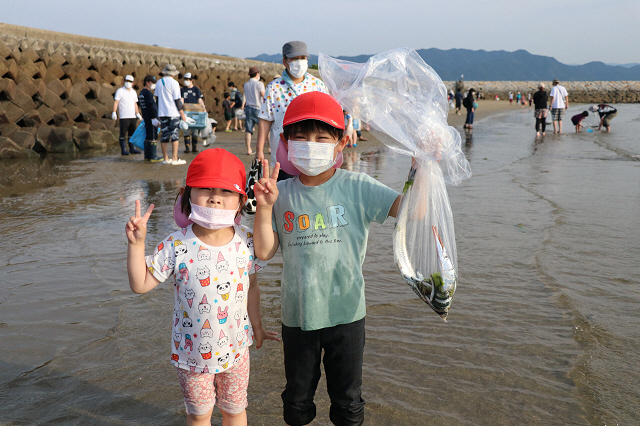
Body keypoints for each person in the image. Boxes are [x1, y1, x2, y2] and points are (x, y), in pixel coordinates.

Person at [252, 91, 403, 426]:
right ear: (285, 141)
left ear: (342, 142)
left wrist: (424, 167)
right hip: (298, 315)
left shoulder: (359, 187)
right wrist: (263, 208)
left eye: (322, 137)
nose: (310, 144)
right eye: (301, 137)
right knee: (296, 399)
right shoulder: (280, 194)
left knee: (348, 402)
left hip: (347, 314)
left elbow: (410, 210)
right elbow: (263, 251)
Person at [126, 148, 279, 426]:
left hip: (236, 350)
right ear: (187, 194)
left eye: (225, 191)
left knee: (235, 411)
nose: (215, 198)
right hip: (191, 355)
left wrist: (257, 326)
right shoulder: (176, 244)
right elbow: (140, 284)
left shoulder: (246, 240)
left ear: (241, 200)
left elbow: (251, 286)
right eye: (205, 189)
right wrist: (136, 245)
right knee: (199, 416)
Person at [255, 41, 328, 181]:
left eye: (303, 58)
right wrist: (259, 150)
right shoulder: (274, 87)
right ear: (285, 61)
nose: (299, 62)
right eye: (294, 59)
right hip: (283, 154)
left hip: (312, 152)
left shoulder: (317, 85)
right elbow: (265, 119)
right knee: (284, 193)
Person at [155, 64, 194, 165]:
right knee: (174, 135)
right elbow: (177, 101)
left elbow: (157, 99)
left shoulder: (159, 82)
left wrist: (158, 113)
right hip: (173, 113)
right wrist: (182, 115)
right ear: (173, 74)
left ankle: (165, 158)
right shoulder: (174, 83)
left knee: (164, 136)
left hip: (162, 113)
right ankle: (175, 158)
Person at [113, 75, 143, 155]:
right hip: (124, 116)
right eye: (126, 81)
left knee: (132, 133)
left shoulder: (133, 92)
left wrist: (138, 114)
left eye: (130, 82)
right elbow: (116, 102)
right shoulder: (120, 91)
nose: (128, 83)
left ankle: (132, 149)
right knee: (123, 134)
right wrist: (114, 112)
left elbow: (135, 104)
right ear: (124, 81)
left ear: (133, 83)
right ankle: (123, 150)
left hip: (132, 116)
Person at [138, 75, 163, 162]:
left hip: (146, 117)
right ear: (147, 83)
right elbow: (150, 105)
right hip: (151, 118)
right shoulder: (148, 93)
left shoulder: (141, 92)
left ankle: (147, 156)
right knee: (152, 136)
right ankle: (153, 156)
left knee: (148, 136)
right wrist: (154, 117)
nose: (154, 85)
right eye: (152, 83)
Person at [181, 72, 207, 154]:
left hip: (195, 112)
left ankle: (194, 146)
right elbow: (181, 99)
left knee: (195, 130)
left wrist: (203, 108)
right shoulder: (182, 90)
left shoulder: (196, 90)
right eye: (185, 79)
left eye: (188, 79)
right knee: (186, 129)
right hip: (186, 112)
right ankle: (187, 147)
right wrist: (180, 108)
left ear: (192, 80)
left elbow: (200, 99)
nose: (186, 81)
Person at [243, 66, 266, 155]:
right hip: (258, 108)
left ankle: (249, 149)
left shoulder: (246, 84)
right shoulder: (260, 84)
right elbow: (263, 95)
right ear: (257, 74)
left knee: (248, 130)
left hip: (248, 108)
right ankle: (269, 149)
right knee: (264, 128)